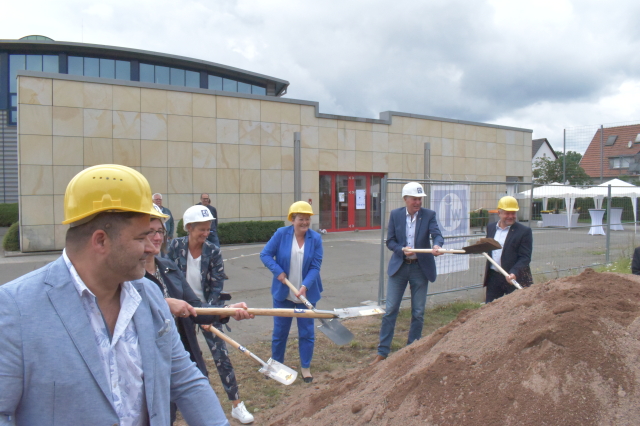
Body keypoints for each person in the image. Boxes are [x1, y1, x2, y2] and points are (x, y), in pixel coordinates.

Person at [0, 164, 230, 426]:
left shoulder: (150, 295)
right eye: (143, 236)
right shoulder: (14, 308)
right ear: (100, 241)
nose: (152, 249)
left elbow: (186, 382)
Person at [145, 206, 254, 424]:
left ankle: (236, 404)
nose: (157, 237)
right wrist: (165, 304)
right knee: (160, 413)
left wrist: (225, 311)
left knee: (203, 399)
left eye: (161, 231)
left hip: (180, 347)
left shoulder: (168, 268)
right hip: (150, 360)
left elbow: (195, 305)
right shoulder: (129, 275)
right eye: (150, 232)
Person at [370, 182, 443, 366]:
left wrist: (437, 245)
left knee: (418, 312)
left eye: (420, 199)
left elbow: (437, 234)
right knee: (391, 310)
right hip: (400, 267)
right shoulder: (395, 215)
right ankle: (382, 351)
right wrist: (401, 250)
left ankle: (412, 349)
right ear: (405, 199)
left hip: (420, 268)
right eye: (414, 199)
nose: (417, 202)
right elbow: (391, 241)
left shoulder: (429, 215)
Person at [260, 201, 323, 383]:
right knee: (280, 332)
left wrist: (305, 286)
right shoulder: (281, 234)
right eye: (301, 219)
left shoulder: (315, 238)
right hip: (283, 293)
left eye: (307, 219)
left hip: (306, 294)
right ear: (292, 219)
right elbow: (265, 254)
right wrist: (278, 271)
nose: (304, 223)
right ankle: (276, 365)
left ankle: (305, 367)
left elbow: (315, 266)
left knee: (306, 332)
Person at [483, 196, 533, 302]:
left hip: (514, 277)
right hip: (494, 277)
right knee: (490, 309)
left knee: (515, 310)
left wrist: (514, 272)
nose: (511, 216)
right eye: (507, 213)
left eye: (513, 213)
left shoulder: (524, 232)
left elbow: (525, 257)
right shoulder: (491, 227)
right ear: (499, 213)